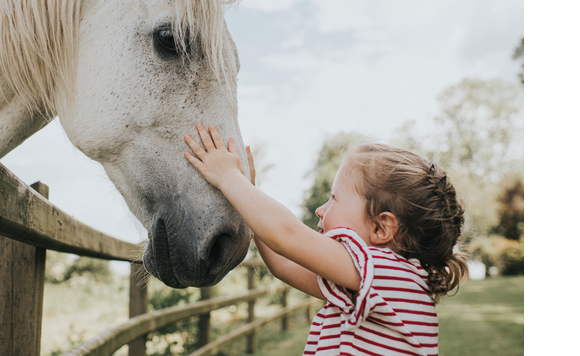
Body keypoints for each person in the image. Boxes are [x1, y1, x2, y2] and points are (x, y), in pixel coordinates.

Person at [183, 123, 467, 356]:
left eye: (333, 199)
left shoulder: (383, 272)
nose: (320, 210)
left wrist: (228, 177)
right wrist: (247, 200)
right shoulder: (368, 283)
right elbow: (284, 263)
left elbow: (285, 235)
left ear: (381, 228)